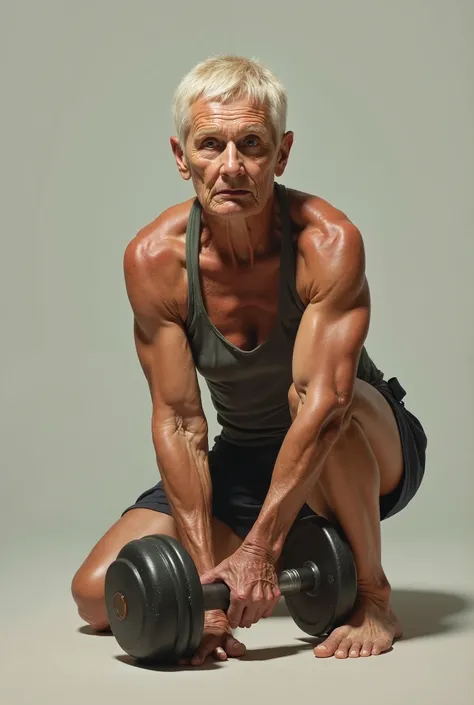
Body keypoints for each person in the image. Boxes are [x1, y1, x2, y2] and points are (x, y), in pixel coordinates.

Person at [71, 55, 427, 666]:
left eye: (252, 145)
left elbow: (328, 402)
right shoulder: (155, 261)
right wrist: (205, 586)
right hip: (248, 457)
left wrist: (259, 551)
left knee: (310, 403)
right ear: (182, 157)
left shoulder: (327, 243)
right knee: (100, 595)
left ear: (281, 155)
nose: (231, 166)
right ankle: (296, 539)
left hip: (365, 443)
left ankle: (372, 593)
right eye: (210, 145)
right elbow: (180, 422)